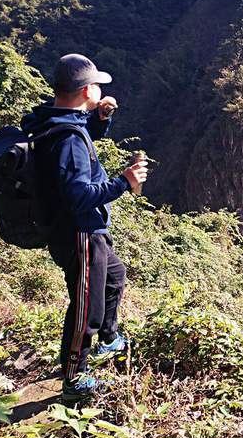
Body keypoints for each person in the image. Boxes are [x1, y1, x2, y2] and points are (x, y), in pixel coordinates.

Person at [20, 53, 148, 400]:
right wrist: (125, 181)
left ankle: (108, 338)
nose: (100, 88)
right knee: (84, 307)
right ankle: (74, 378)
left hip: (86, 230)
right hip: (79, 233)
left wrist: (100, 118)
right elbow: (79, 195)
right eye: (96, 85)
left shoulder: (57, 120)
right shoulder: (68, 139)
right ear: (85, 89)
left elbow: (79, 138)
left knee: (115, 277)